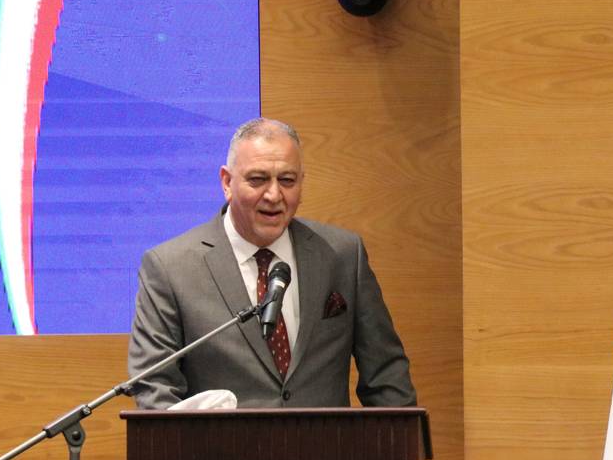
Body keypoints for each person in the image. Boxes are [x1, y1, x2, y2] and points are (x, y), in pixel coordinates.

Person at [127, 118, 416, 408]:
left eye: (287, 180)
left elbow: (386, 375)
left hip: (326, 438)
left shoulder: (342, 254)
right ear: (227, 182)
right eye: (258, 179)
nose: (274, 195)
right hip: (221, 439)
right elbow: (155, 388)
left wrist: (401, 434)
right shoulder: (170, 268)